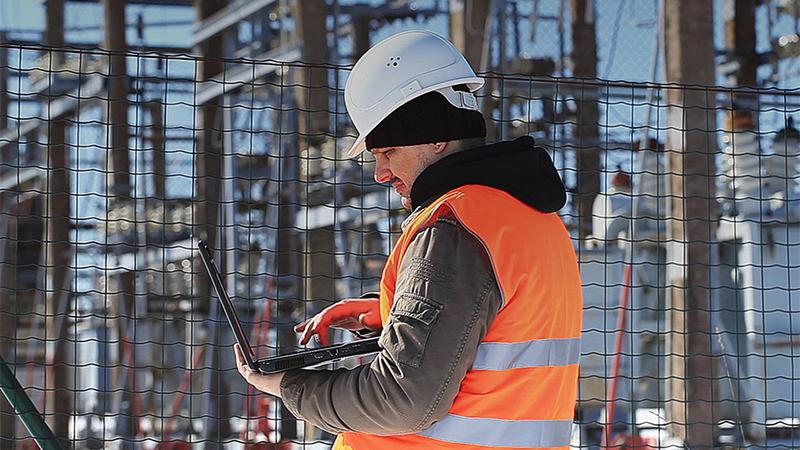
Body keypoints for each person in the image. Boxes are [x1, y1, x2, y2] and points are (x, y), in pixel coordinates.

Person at [234, 30, 583, 449]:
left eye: (389, 152)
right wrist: (388, 312)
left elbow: (402, 398)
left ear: (436, 136)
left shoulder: (454, 225)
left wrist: (287, 386)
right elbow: (500, 328)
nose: (380, 173)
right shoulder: (533, 217)